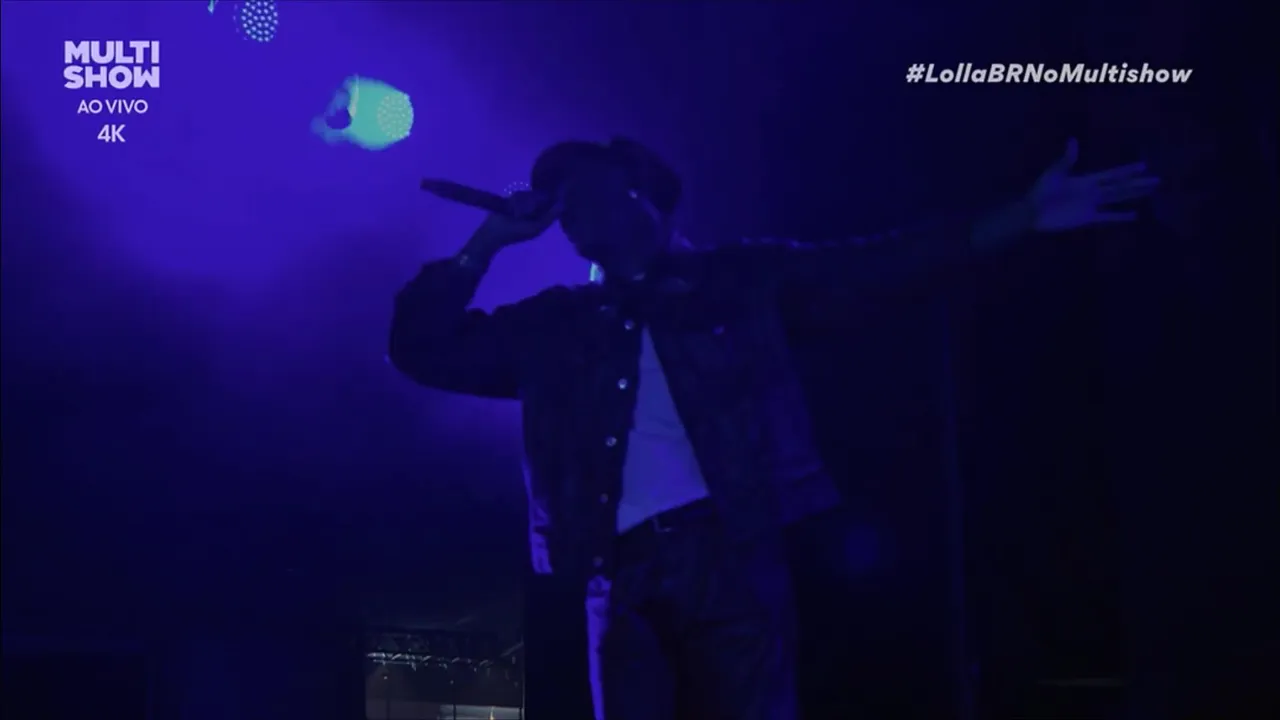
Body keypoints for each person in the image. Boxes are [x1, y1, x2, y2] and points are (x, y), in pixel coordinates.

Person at [388, 137, 1158, 719]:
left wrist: (1025, 216)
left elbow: (878, 265)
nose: (565, 205)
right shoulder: (555, 326)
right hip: (615, 573)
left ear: (637, 190)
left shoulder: (738, 280)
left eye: (580, 185)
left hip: (729, 552)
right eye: (557, 195)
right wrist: (487, 241)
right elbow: (422, 349)